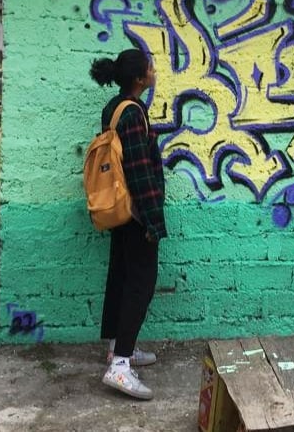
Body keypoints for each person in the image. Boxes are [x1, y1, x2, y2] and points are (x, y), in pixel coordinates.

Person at [89, 48, 167, 400]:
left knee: (121, 276)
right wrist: (152, 220)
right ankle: (120, 366)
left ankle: (120, 346)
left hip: (118, 208)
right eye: (150, 67)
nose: (154, 71)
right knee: (141, 282)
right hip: (135, 211)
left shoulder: (114, 107)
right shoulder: (133, 114)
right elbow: (138, 171)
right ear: (139, 79)